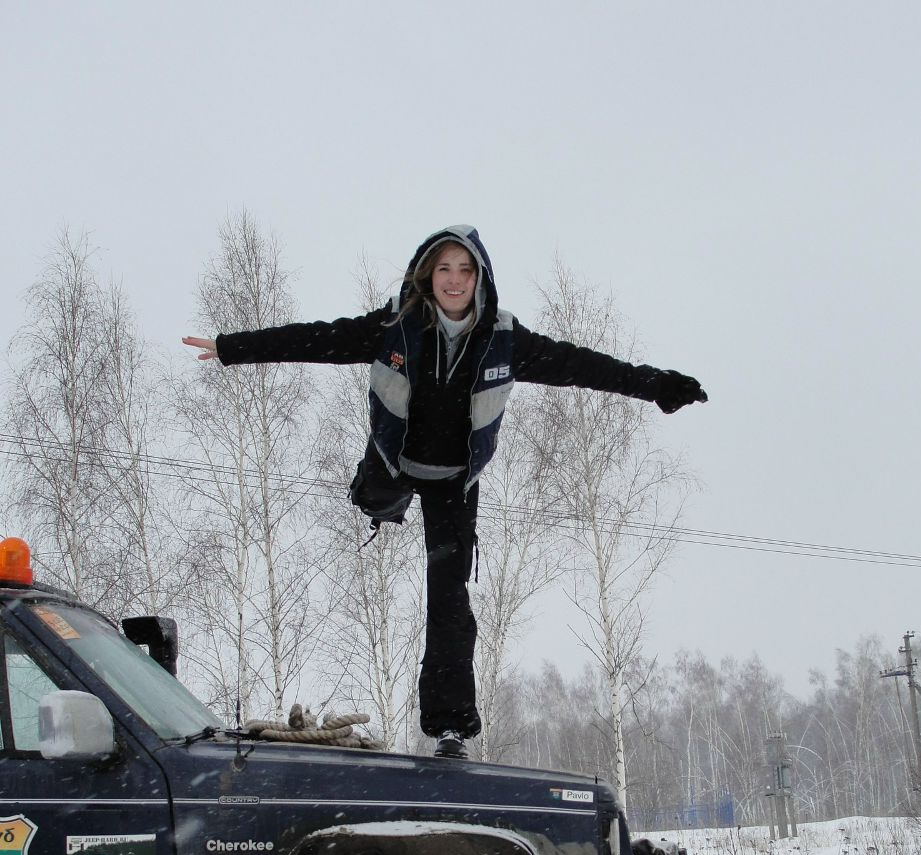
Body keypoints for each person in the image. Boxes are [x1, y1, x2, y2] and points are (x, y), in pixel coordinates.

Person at [183, 224, 706, 760]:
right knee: (376, 496)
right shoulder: (395, 327)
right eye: (444, 269)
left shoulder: (504, 337)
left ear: (479, 278)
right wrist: (230, 348)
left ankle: (449, 729)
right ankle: (379, 501)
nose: (454, 280)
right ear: (426, 276)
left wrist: (656, 384)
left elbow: (582, 366)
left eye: (465, 270)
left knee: (450, 600)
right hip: (395, 460)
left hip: (454, 480)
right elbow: (317, 339)